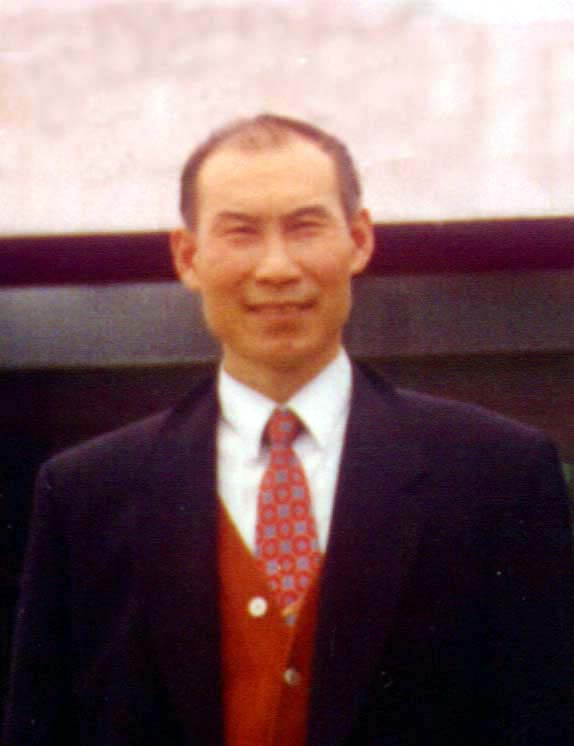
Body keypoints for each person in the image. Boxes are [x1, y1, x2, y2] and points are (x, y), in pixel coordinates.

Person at [3, 114, 573, 746]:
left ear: (359, 240)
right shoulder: (86, 496)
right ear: (188, 257)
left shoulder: (497, 477)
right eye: (241, 232)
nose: (276, 268)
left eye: (305, 227)